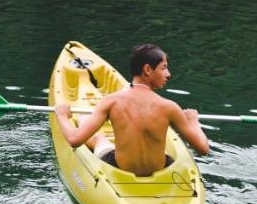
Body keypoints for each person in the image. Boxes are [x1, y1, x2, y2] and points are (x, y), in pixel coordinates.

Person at [54, 44, 210, 177]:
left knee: (100, 139)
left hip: (120, 168)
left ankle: (83, 120)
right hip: (158, 170)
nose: (168, 74)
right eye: (164, 68)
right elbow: (203, 148)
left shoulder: (111, 101)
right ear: (148, 69)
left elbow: (74, 139)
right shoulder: (170, 107)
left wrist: (62, 116)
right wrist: (194, 121)